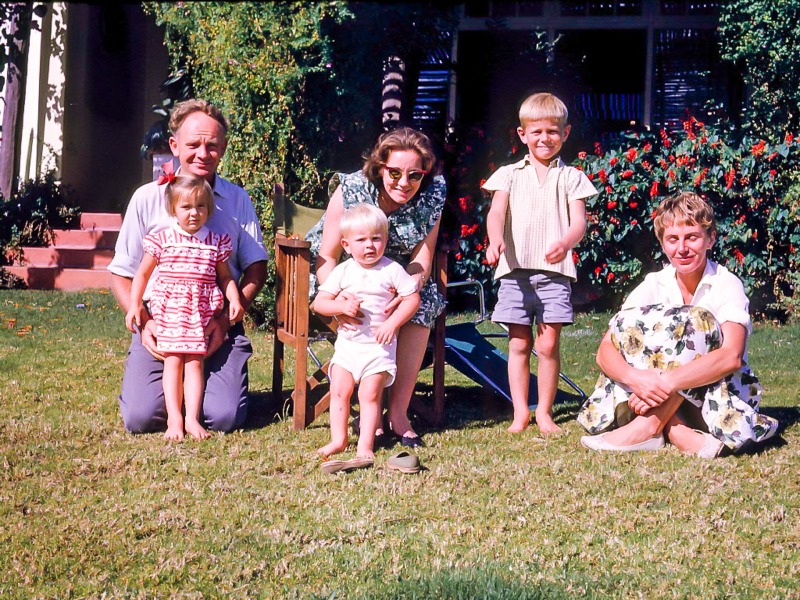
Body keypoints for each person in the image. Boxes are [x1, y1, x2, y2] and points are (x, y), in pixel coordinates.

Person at [577, 192, 780, 458]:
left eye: (692, 237)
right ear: (663, 244)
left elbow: (731, 356)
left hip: (716, 392)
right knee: (627, 323)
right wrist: (639, 381)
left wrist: (664, 382)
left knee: (697, 321)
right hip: (660, 393)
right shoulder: (654, 283)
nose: (682, 248)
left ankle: (650, 426)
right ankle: (674, 427)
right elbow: (607, 348)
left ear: (710, 239)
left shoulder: (725, 283)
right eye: (673, 239)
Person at [109, 99, 268, 434]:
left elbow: (256, 269)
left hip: (214, 322)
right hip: (161, 320)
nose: (202, 153)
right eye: (193, 144)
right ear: (174, 145)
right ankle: (164, 396)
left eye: (212, 145)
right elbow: (123, 273)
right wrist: (143, 322)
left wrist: (225, 321)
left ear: (223, 148)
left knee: (223, 417)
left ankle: (201, 397)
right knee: (141, 418)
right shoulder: (148, 198)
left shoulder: (238, 200)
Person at [305, 127, 446, 448]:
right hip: (344, 275)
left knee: (420, 302)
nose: (404, 182)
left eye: (415, 175)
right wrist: (340, 294)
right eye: (394, 172)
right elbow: (327, 255)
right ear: (380, 167)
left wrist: (406, 289)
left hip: (396, 277)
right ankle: (371, 414)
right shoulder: (352, 188)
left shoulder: (433, 192)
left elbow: (422, 257)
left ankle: (397, 413)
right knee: (364, 300)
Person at [482, 92, 598, 434]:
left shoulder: (572, 177)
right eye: (536, 132)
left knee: (547, 344)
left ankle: (544, 413)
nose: (544, 138)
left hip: (554, 274)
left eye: (552, 131)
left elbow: (580, 222)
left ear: (565, 133)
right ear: (522, 135)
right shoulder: (509, 174)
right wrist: (494, 240)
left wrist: (566, 242)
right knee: (519, 343)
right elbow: (496, 212)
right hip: (515, 272)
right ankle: (521, 412)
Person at [125, 171, 245, 441]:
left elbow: (225, 277)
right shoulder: (163, 240)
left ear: (209, 208)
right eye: (186, 207)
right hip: (170, 313)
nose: (194, 213)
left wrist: (234, 298)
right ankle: (174, 419)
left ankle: (192, 418)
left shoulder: (214, 242)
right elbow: (142, 275)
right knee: (173, 361)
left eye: (200, 206)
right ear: (173, 209)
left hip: (198, 314)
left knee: (194, 363)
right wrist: (135, 305)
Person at [312, 204, 421, 470]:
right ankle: (339, 439)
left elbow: (412, 298)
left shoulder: (391, 269)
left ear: (385, 240)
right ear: (346, 245)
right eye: (361, 240)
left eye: (376, 238)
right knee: (339, 390)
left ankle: (365, 446)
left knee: (370, 394)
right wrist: (339, 307)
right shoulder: (344, 270)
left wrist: (394, 322)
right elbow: (319, 304)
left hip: (378, 349)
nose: (370, 246)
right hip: (348, 348)